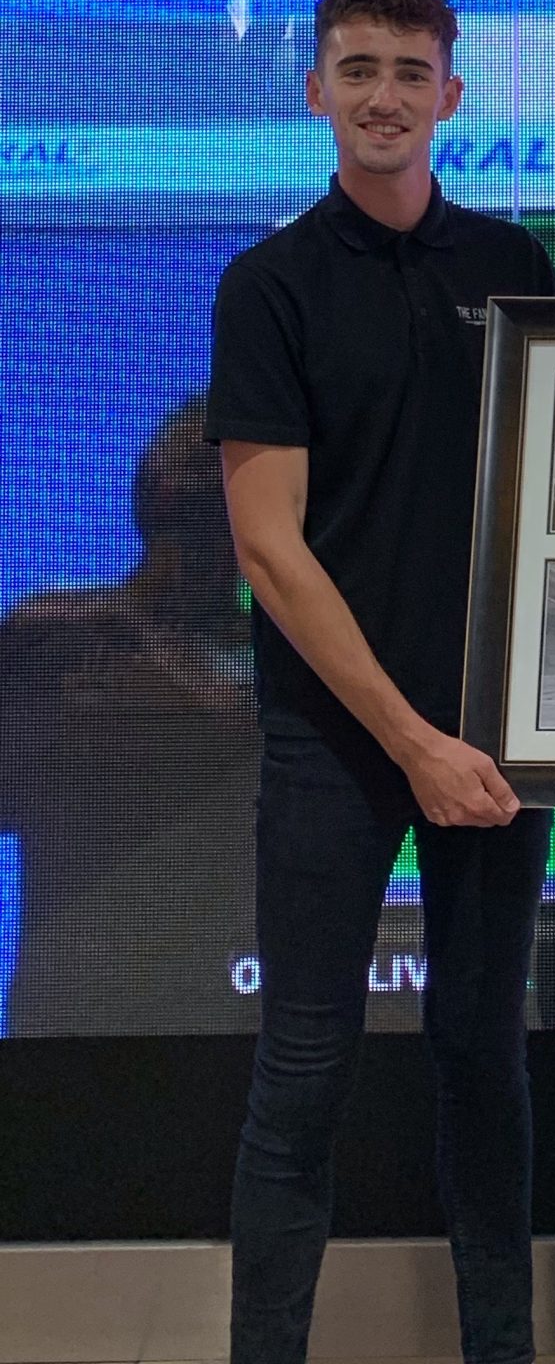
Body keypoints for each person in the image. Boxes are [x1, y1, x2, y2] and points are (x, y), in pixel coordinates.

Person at [206, 0, 555, 1364]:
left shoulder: (511, 265)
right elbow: (269, 549)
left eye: (409, 71)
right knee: (302, 1073)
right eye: (358, 68)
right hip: (337, 743)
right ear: (315, 90)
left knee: (480, 1054)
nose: (383, 96)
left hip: (501, 727)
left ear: (452, 94)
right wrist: (413, 744)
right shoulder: (268, 288)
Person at [0, 396, 259, 1035]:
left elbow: (236, 730)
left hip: (219, 1008)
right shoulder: (53, 640)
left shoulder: (267, 666)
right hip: (71, 1014)